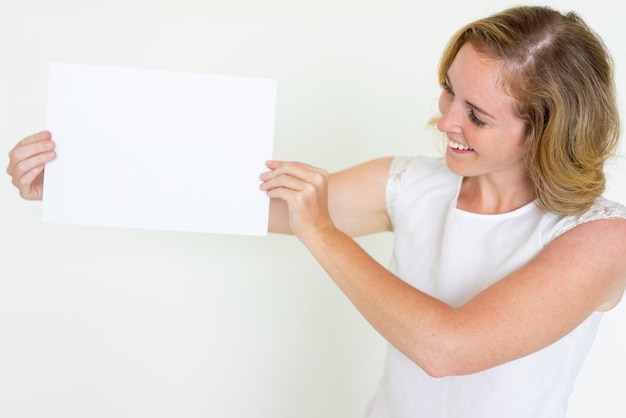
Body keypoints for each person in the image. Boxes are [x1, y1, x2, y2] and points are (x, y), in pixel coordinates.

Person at [7, 5, 626, 418]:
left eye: (477, 115)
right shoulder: (414, 184)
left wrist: (322, 230)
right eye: (449, 90)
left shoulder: (601, 237)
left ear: (546, 132)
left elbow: (448, 350)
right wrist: (74, 180)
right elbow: (234, 201)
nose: (446, 121)